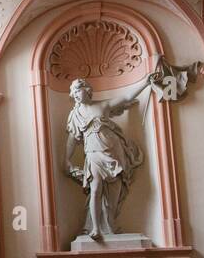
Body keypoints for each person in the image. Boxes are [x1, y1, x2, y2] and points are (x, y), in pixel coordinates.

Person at [65, 71, 162, 240]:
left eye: (78, 90)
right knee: (95, 189)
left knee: (114, 194)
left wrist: (145, 83)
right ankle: (95, 228)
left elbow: (125, 97)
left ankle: (110, 225)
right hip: (94, 154)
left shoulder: (102, 106)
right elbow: (72, 139)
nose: (75, 94)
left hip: (114, 152)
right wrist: (66, 158)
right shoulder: (75, 115)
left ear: (87, 90)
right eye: (73, 92)